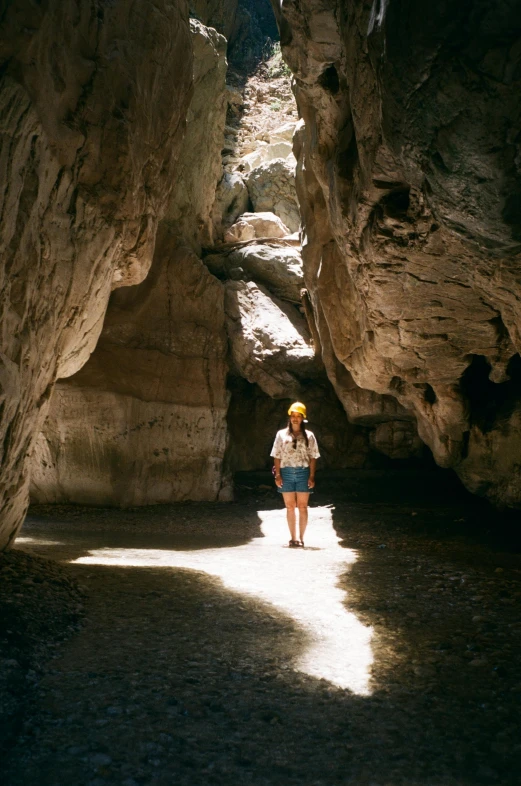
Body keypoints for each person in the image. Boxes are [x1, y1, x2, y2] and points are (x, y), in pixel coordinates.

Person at [270, 402, 320, 548]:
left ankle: (301, 537)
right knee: (290, 506)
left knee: (303, 506)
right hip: (286, 472)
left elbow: (313, 457)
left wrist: (311, 476)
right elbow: (276, 456)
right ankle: (293, 538)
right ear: (290, 417)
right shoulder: (281, 435)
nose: (295, 418)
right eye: (293, 416)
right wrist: (277, 475)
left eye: (298, 416)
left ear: (303, 418)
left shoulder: (309, 436)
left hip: (303, 472)